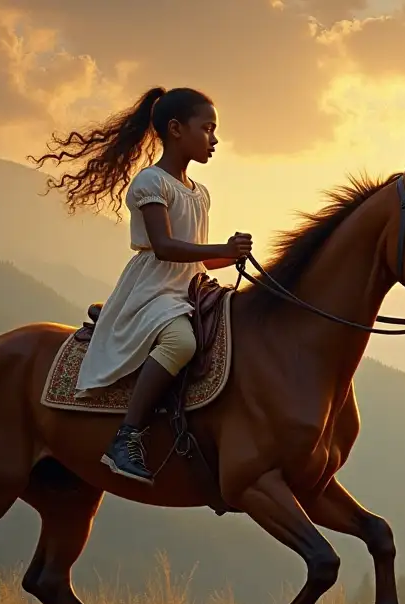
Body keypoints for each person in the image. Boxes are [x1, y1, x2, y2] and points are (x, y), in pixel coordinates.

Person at [32, 87, 251, 484]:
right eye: (208, 128)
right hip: (154, 290)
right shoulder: (151, 182)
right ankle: (126, 436)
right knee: (181, 343)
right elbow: (165, 247)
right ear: (175, 129)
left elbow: (197, 256)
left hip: (189, 286)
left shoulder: (199, 192)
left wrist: (232, 254)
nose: (214, 139)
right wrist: (220, 246)